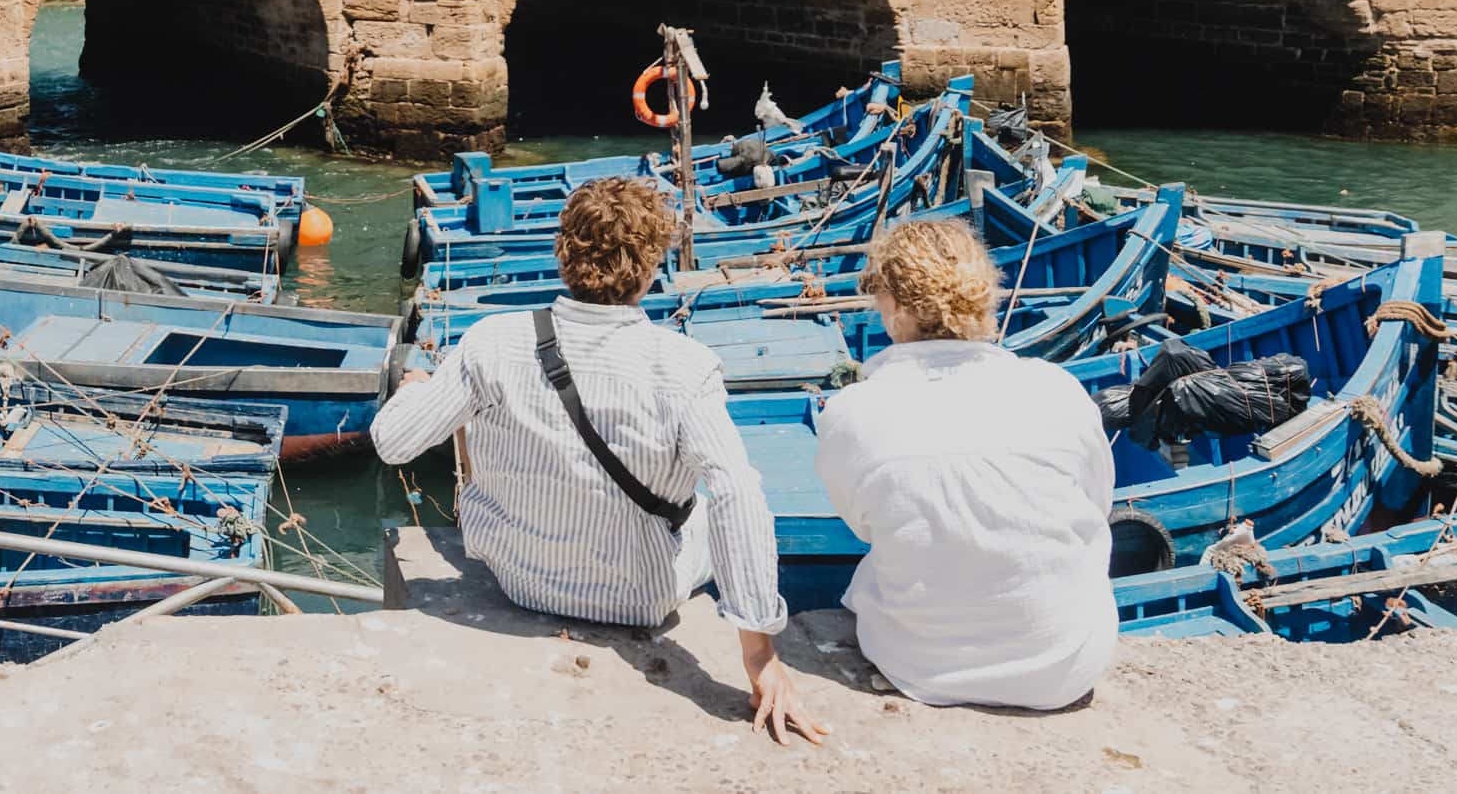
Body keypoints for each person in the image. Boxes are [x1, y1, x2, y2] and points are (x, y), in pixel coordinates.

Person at [373, 177, 826, 746]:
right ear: (651, 266)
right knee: (719, 497)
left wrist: (415, 387)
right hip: (643, 598)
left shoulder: (492, 342)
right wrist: (759, 653)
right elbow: (737, 492)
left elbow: (393, 443)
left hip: (521, 580)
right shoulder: (686, 367)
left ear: (563, 254)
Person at [812, 218, 1116, 711]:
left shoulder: (851, 413)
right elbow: (1096, 503)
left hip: (918, 666)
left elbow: (861, 525)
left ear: (896, 309)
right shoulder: (1056, 389)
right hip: (1067, 667)